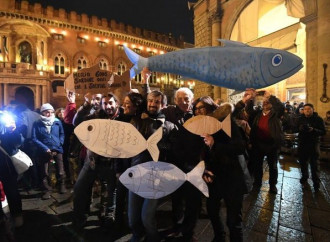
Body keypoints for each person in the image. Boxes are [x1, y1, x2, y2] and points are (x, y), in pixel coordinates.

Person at [128, 90, 177, 242]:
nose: (153, 104)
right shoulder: (138, 121)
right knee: (133, 215)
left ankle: (153, 238)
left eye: (157, 101)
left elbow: (173, 152)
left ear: (163, 105)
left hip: (156, 177)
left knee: (147, 216)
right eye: (150, 100)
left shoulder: (170, 127)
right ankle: (137, 235)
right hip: (136, 172)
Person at [72, 93, 123, 236]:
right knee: (79, 188)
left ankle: (108, 216)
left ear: (116, 103)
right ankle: (79, 217)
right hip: (93, 161)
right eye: (105, 103)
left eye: (110, 103)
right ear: (101, 105)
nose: (108, 106)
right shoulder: (96, 116)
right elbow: (77, 122)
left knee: (111, 192)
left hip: (111, 163)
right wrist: (86, 104)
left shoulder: (122, 117)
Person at [203, 103, 252, 242]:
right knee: (212, 210)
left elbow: (240, 146)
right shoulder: (203, 125)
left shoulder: (227, 123)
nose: (199, 111)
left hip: (232, 178)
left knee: (233, 220)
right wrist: (205, 169)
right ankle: (219, 236)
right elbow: (204, 153)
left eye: (202, 108)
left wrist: (214, 144)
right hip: (214, 177)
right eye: (197, 109)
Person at [247, 90, 284, 194]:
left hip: (272, 144)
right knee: (257, 165)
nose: (265, 103)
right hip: (258, 144)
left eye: (267, 102)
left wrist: (271, 97)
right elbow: (249, 110)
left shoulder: (275, 114)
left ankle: (272, 185)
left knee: (272, 166)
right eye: (264, 102)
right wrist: (251, 98)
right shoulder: (258, 114)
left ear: (271, 105)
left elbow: (280, 107)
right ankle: (257, 183)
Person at [32, 103, 66, 199]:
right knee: (44, 172)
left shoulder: (57, 122)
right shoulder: (37, 123)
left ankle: (62, 185)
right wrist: (44, 148)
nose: (49, 114)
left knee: (60, 170)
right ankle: (47, 189)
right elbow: (34, 138)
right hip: (44, 151)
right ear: (42, 112)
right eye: (47, 112)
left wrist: (60, 142)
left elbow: (62, 133)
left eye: (51, 112)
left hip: (57, 149)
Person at [0, 111, 24, 227]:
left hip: (5, 163)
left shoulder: (3, 116)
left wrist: (13, 130)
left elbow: (18, 143)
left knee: (11, 190)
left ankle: (17, 215)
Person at [295, 103, 326, 191]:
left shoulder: (318, 119)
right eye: (305, 109)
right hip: (302, 143)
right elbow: (294, 128)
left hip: (313, 144)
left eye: (309, 109)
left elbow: (323, 131)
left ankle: (316, 182)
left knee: (314, 164)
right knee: (303, 162)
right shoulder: (300, 119)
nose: (307, 111)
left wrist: (313, 130)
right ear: (303, 111)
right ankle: (304, 177)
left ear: (313, 110)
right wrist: (299, 128)